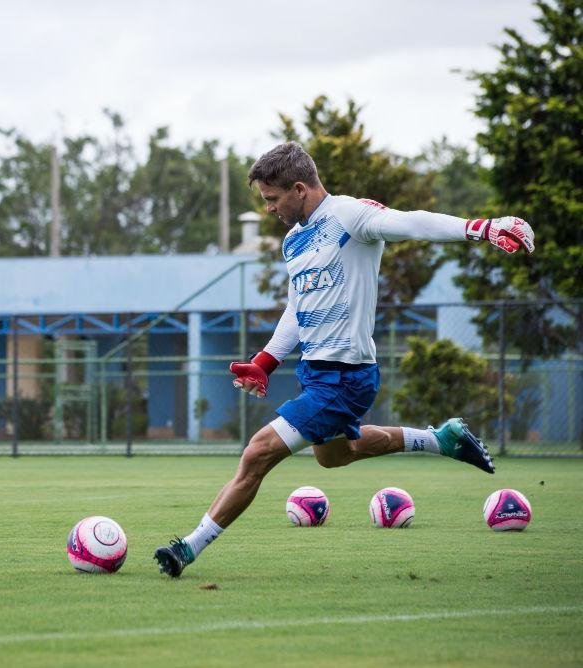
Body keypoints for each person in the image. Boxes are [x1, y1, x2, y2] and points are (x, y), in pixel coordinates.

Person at [154, 141, 535, 577]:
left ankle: (187, 548)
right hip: (315, 375)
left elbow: (410, 223)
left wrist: (481, 228)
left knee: (257, 453)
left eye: (273, 199)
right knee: (334, 456)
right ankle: (439, 439)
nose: (270, 209)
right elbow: (297, 309)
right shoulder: (295, 241)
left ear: (299, 188)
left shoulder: (350, 216)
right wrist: (266, 361)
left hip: (346, 377)